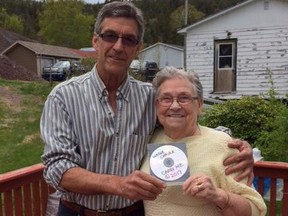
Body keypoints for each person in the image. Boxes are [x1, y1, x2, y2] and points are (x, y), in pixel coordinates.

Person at [40, 2, 254, 216]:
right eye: (110, 36)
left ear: (138, 48)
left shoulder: (149, 98)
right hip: (77, 212)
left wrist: (230, 144)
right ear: (96, 41)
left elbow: (183, 123)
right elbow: (57, 168)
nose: (118, 46)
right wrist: (119, 184)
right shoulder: (64, 96)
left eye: (129, 39)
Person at [141, 66, 267, 216]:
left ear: (199, 105)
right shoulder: (149, 138)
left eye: (184, 98)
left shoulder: (223, 145)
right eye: (166, 99)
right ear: (157, 105)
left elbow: (255, 210)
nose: (174, 106)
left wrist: (219, 196)